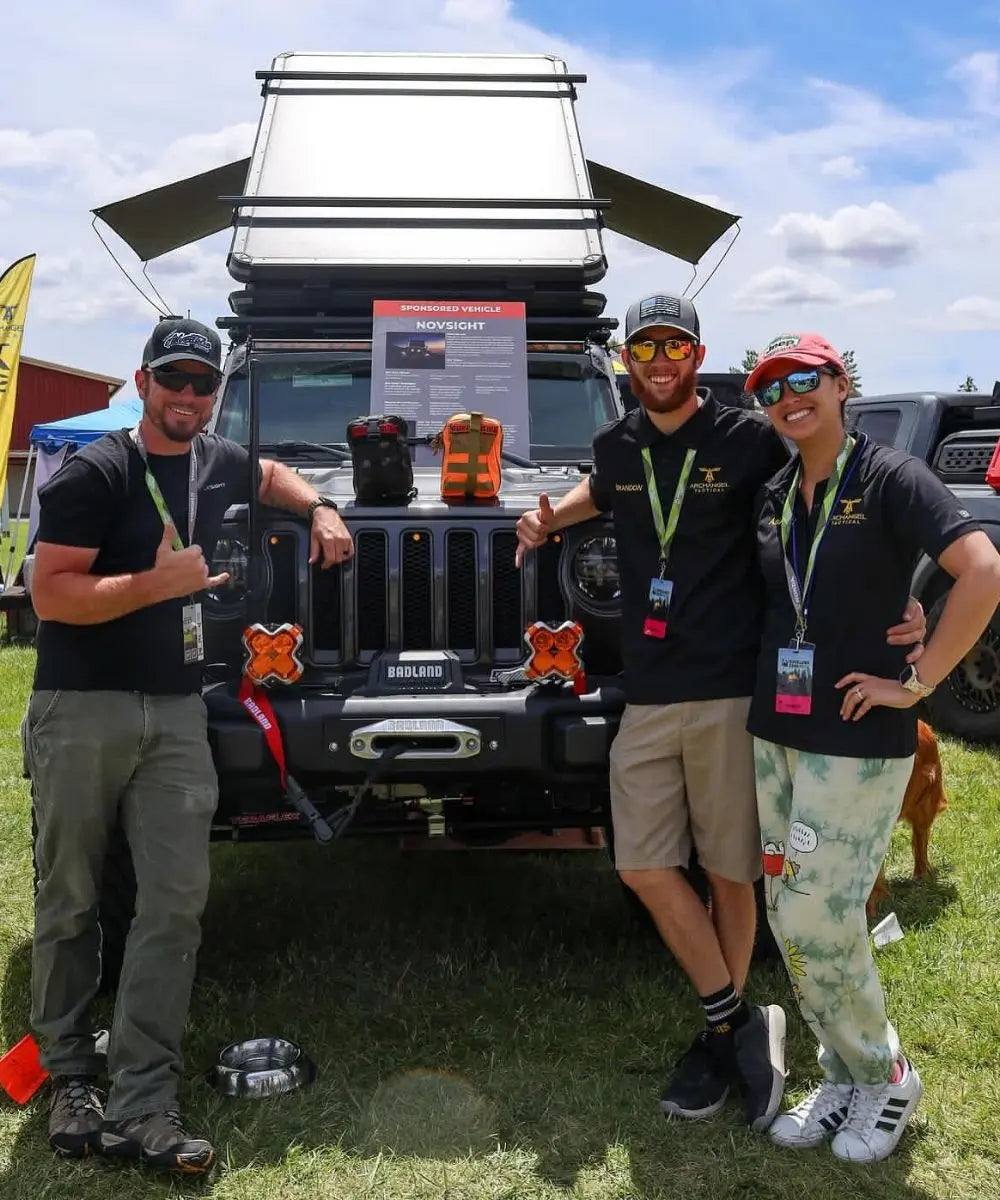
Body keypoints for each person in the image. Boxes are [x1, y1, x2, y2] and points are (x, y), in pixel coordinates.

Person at [514, 294, 926, 1131]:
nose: (659, 362)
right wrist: (548, 513)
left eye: (675, 347)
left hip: (733, 688)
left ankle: (724, 1036)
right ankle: (739, 1023)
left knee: (730, 873)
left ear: (697, 357)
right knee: (641, 866)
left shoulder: (748, 439)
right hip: (648, 688)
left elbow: (826, 508)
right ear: (625, 360)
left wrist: (903, 610)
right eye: (644, 348)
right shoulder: (615, 443)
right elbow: (607, 489)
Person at [24, 316, 354, 1174]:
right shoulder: (95, 473)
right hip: (83, 705)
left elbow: (273, 472)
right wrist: (156, 586)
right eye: (173, 379)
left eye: (203, 384)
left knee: (172, 904)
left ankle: (142, 1097)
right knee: (71, 899)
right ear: (142, 382)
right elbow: (50, 595)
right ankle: (70, 1076)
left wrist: (319, 507)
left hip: (177, 714)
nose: (188, 396)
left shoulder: (217, 460)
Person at [744, 332, 1000, 1162]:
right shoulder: (777, 488)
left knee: (823, 912)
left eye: (806, 377)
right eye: (772, 384)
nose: (790, 394)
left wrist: (919, 677)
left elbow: (983, 571)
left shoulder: (893, 475)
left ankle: (886, 1074)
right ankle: (844, 1071)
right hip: (776, 731)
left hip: (856, 735)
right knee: (787, 913)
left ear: (842, 383)